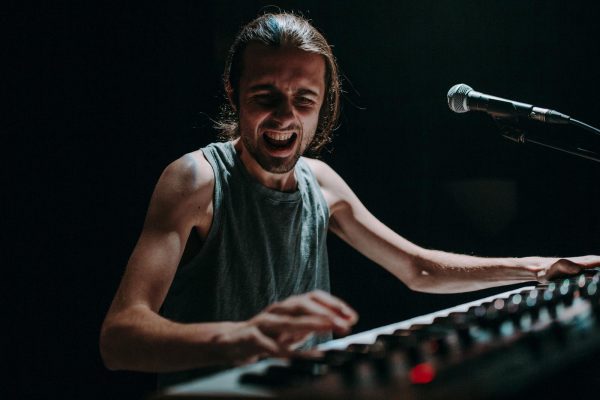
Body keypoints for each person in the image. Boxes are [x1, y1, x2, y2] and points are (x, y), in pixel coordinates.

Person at [99, 12, 600, 387]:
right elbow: (119, 338)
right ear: (233, 93)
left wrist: (538, 269)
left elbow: (419, 269)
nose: (283, 117)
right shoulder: (196, 179)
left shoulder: (321, 181)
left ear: (325, 104)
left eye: (304, 100)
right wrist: (243, 336)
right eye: (264, 96)